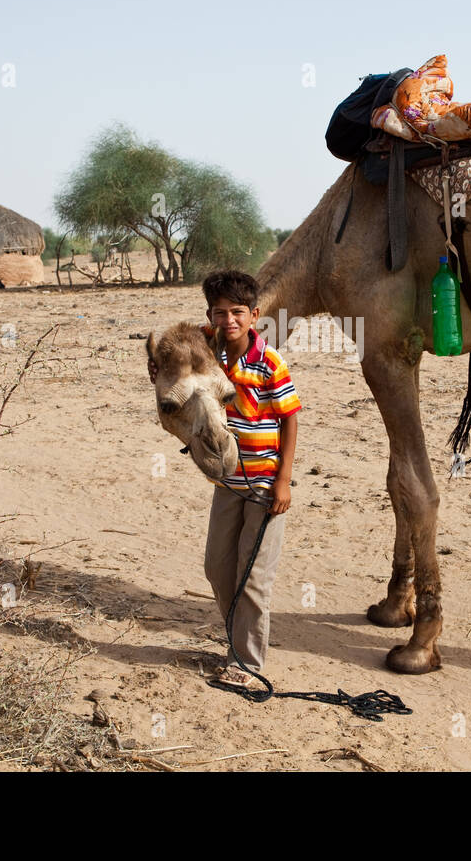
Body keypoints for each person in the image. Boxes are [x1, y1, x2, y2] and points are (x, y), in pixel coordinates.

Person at [148, 270, 301, 689]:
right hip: (227, 481)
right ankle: (237, 642)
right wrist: (159, 364)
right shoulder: (207, 350)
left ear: (254, 314)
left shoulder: (270, 361)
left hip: (266, 484)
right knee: (218, 567)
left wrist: (284, 481)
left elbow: (290, 419)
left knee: (253, 576)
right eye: (220, 313)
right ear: (210, 315)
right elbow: (174, 351)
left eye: (237, 312)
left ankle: (246, 663)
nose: (229, 320)